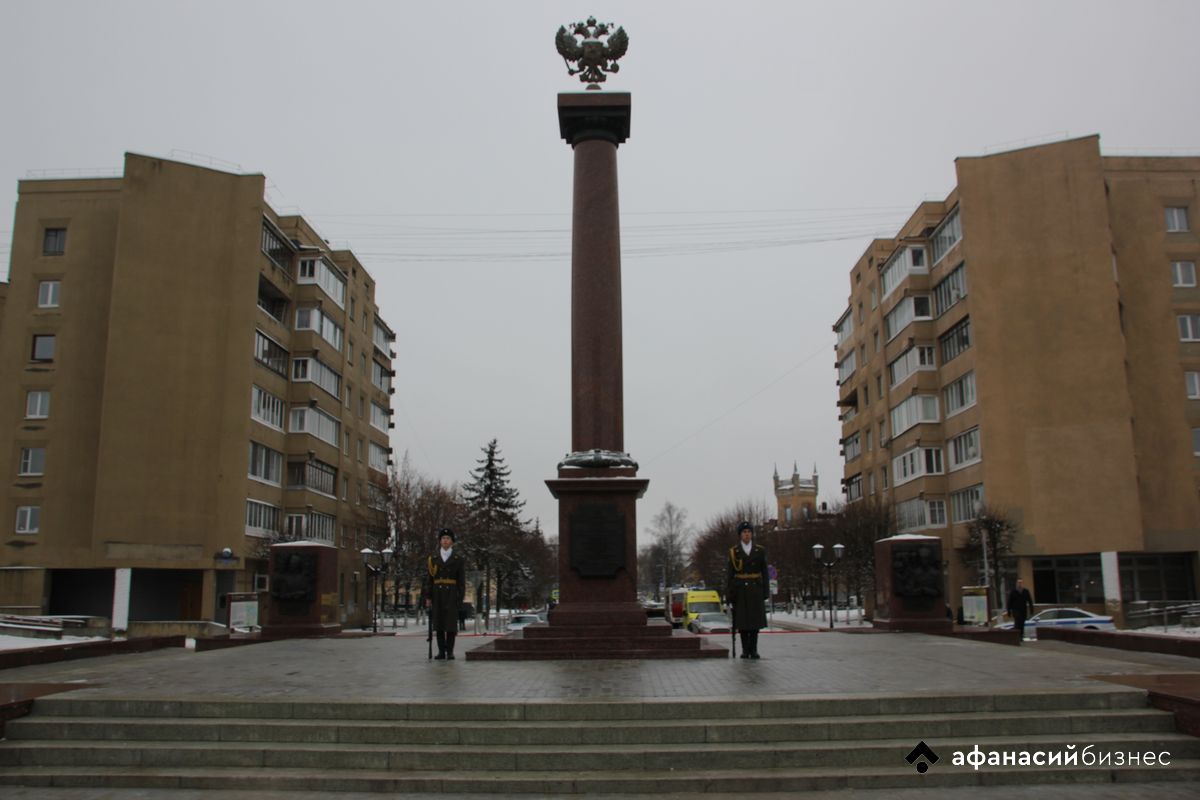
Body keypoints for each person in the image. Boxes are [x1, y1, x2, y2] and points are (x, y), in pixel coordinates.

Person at [725, 520, 769, 659]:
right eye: (744, 532)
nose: (747, 534)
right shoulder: (734, 552)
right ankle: (745, 650)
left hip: (755, 589)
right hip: (740, 591)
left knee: (754, 623)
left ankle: (754, 650)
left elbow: (765, 572)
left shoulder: (759, 550)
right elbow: (730, 574)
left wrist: (765, 592)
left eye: (749, 532)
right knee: (743, 623)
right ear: (740, 535)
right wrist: (729, 595)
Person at [424, 528, 466, 660]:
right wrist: (428, 596)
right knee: (439, 623)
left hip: (452, 593)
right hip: (437, 593)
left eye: (448, 538)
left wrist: (460, 597)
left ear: (452, 542)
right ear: (440, 541)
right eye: (443, 539)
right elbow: (429, 580)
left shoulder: (458, 559)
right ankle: (441, 651)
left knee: (451, 624)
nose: (445, 541)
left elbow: (461, 581)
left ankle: (450, 651)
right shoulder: (433, 559)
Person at [1006, 578, 1035, 643]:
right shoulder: (1013, 592)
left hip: (1023, 610)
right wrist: (1009, 611)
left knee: (1022, 623)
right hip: (1015, 610)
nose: (1020, 584)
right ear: (1016, 583)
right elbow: (1009, 602)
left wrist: (1031, 610)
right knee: (1017, 622)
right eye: (1018, 582)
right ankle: (1017, 636)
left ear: (1022, 584)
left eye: (1021, 583)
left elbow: (1030, 601)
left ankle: (1021, 636)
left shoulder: (1025, 591)